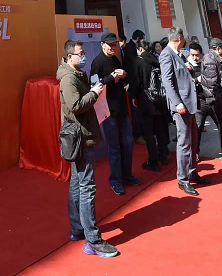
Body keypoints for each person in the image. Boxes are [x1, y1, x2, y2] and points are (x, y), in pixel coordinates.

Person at [57, 40, 118, 258]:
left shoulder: (76, 74)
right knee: (87, 187)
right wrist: (93, 93)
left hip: (81, 134)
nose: (83, 56)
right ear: (69, 56)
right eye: (80, 53)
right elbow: (76, 106)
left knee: (77, 183)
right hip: (80, 137)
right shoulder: (68, 79)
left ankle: (77, 228)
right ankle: (92, 239)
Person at [159, 26, 209, 195]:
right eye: (184, 37)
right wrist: (177, 103)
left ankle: (192, 172)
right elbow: (167, 81)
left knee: (193, 140)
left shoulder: (178, 54)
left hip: (189, 103)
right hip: (181, 105)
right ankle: (183, 179)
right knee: (185, 142)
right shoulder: (166, 54)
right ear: (179, 39)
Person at [90, 32, 141, 195]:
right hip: (108, 111)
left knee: (128, 143)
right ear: (102, 45)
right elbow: (94, 86)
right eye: (110, 45)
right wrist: (110, 78)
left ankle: (127, 175)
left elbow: (123, 81)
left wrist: (124, 76)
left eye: (115, 45)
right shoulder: (98, 62)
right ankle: (116, 180)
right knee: (114, 147)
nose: (113, 48)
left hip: (121, 109)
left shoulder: (115, 59)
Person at [197, 38, 222, 171]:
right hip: (212, 101)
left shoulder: (212, 58)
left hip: (211, 100)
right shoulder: (210, 60)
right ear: (218, 48)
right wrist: (219, 99)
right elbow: (212, 84)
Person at [132, 39, 169, 171]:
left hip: (146, 100)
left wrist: (134, 96)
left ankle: (153, 160)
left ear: (140, 49)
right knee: (160, 129)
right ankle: (163, 155)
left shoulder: (138, 61)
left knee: (148, 132)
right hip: (160, 99)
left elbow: (136, 82)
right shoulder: (156, 60)